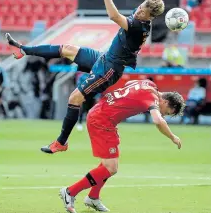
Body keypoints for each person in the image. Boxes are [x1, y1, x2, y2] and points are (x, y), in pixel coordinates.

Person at [5, 0, 168, 154]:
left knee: (74, 98)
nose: (139, 11)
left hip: (109, 69)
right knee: (67, 48)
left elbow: (113, 15)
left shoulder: (139, 27)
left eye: (143, 11)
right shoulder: (144, 14)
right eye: (142, 6)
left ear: (149, 17)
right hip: (104, 58)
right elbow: (147, 5)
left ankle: (61, 142)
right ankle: (23, 49)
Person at [58, 79, 185, 213]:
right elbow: (158, 120)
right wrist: (173, 137)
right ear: (165, 102)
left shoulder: (149, 84)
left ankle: (93, 197)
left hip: (104, 116)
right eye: (168, 112)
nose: (164, 114)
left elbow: (128, 84)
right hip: (101, 120)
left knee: (108, 164)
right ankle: (70, 192)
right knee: (111, 168)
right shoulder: (152, 98)